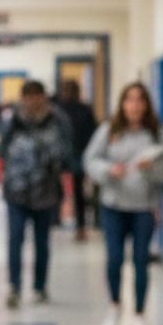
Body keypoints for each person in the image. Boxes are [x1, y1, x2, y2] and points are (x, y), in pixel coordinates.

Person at [83, 82, 163, 325]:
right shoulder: (109, 130)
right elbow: (90, 160)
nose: (134, 106)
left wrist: (151, 169)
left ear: (146, 105)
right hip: (113, 205)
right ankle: (114, 306)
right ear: (122, 104)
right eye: (129, 100)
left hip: (144, 208)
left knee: (140, 261)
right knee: (114, 259)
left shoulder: (156, 134)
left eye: (139, 100)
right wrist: (108, 170)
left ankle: (139, 314)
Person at [0, 80, 73, 309]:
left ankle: (40, 286)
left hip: (46, 192)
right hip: (17, 191)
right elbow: (2, 148)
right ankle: (14, 286)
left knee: (42, 242)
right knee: (15, 239)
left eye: (36, 97)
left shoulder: (57, 120)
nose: (31, 102)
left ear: (44, 97)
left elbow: (67, 152)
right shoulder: (14, 120)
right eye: (27, 97)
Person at [57, 79, 97, 241]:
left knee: (59, 189)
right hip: (77, 154)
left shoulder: (58, 110)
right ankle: (80, 226)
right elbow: (92, 134)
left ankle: (58, 220)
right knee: (78, 191)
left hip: (68, 154)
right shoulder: (84, 110)